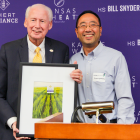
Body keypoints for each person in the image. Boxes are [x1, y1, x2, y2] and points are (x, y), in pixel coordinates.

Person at [0, 4, 82, 140]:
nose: (37, 25)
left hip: (50, 133)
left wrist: (73, 80)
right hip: (13, 133)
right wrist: (14, 122)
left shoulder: (61, 50)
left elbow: (63, 93)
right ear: (25, 22)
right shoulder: (8, 50)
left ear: (50, 25)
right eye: (33, 20)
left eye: (42, 21)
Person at [70, 10, 135, 124]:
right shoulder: (73, 61)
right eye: (83, 25)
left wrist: (122, 129)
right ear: (77, 32)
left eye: (93, 25)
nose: (88, 29)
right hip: (79, 130)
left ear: (100, 30)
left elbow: (124, 98)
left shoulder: (116, 58)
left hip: (108, 128)